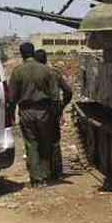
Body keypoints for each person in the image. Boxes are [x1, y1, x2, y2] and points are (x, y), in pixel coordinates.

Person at [8, 43, 58, 187]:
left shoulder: (17, 71)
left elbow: (12, 98)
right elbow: (55, 95)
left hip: (26, 112)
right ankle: (45, 174)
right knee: (45, 142)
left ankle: (36, 178)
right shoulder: (46, 70)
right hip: (44, 111)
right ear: (33, 52)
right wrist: (55, 114)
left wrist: (11, 115)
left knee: (31, 143)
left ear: (22, 54)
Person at [33, 49, 73, 180]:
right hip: (52, 111)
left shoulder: (29, 73)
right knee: (54, 141)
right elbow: (68, 91)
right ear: (45, 59)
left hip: (33, 111)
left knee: (36, 141)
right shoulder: (54, 73)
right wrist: (62, 106)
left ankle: (41, 172)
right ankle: (56, 171)